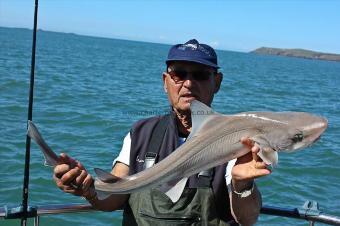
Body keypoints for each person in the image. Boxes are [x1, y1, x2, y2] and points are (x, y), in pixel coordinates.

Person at [54, 39, 271, 226]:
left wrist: (243, 185)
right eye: (179, 74)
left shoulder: (238, 140)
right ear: (165, 82)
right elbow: (114, 196)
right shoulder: (141, 132)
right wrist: (87, 190)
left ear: (217, 82)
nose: (188, 83)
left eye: (200, 75)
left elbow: (248, 219)